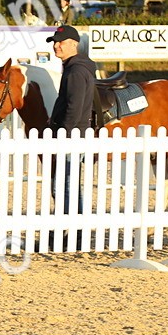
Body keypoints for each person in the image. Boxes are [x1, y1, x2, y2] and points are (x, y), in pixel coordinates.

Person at [46, 24, 96, 232]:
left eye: (61, 42)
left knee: (64, 185)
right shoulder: (76, 67)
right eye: (55, 43)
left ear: (74, 44)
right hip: (75, 134)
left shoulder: (75, 71)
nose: (56, 46)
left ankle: (71, 229)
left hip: (72, 136)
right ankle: (76, 228)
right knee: (70, 185)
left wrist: (63, 134)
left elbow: (74, 108)